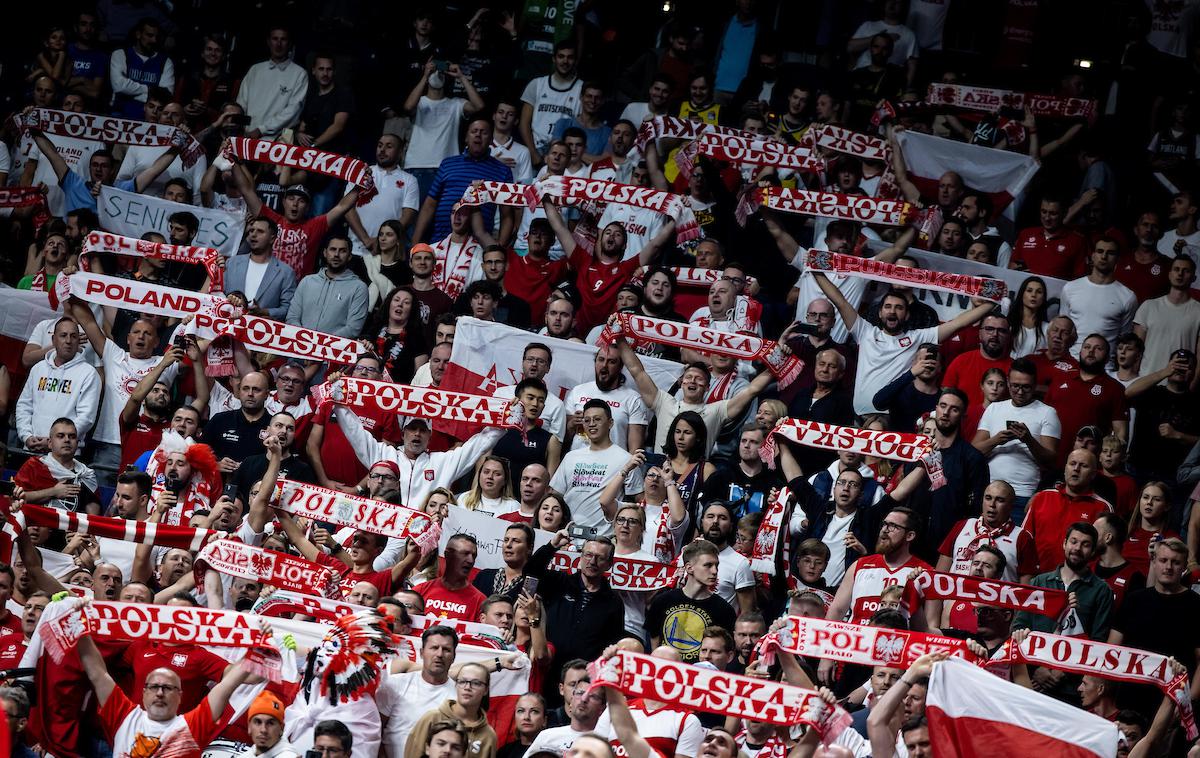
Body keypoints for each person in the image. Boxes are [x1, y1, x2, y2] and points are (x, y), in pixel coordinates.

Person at [76, 610, 259, 757]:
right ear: (144, 691)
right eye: (154, 687)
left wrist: (259, 645)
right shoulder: (124, 715)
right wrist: (78, 622)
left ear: (180, 695)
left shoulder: (193, 725)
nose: (160, 693)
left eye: (168, 688)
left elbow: (228, 684)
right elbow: (96, 671)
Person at [813, 271, 994, 415]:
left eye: (899, 308)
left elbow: (959, 323)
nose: (893, 311)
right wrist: (816, 271)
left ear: (907, 315)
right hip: (857, 416)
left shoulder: (918, 337)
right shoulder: (866, 331)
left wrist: (992, 302)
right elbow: (840, 301)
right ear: (880, 313)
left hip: (889, 418)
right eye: (888, 307)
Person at [527, 533, 625, 689]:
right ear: (580, 557)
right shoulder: (560, 582)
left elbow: (611, 644)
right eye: (588, 555)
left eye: (599, 558)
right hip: (548, 673)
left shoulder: (614, 602)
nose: (592, 562)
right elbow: (530, 571)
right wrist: (552, 546)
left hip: (585, 681)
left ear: (609, 564)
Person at [973, 360, 1061, 509]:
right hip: (989, 490)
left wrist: (1028, 440)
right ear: (1008, 382)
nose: (1020, 392)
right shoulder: (994, 408)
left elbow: (1051, 461)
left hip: (1023, 494)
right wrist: (996, 440)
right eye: (1015, 386)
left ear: (1034, 385)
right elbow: (973, 452)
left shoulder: (1047, 413)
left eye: (1026, 387)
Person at [414, 119, 514, 245]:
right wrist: (415, 243)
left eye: (483, 133)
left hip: (477, 248)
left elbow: (507, 216)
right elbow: (429, 206)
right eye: (474, 131)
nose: (478, 135)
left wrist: (500, 250)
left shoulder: (503, 171)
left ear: (490, 140)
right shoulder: (447, 164)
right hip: (440, 242)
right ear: (466, 137)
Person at [550, 399, 643, 532]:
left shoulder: (626, 460)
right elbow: (555, 496)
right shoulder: (571, 457)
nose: (592, 424)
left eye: (597, 419)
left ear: (610, 423)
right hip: (567, 537)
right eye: (587, 420)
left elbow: (639, 501)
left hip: (604, 539)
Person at [15, 317, 100, 452]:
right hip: (31, 447)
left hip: (65, 453)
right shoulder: (38, 369)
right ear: (54, 340)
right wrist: (26, 436)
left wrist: (54, 441)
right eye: (63, 335)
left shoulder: (89, 373)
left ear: (79, 341)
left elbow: (86, 418)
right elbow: (24, 406)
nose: (68, 341)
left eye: (73, 336)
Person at [1022, 450, 1113, 573]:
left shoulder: (1103, 508)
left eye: (1083, 465)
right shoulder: (1042, 497)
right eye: (1072, 463)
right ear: (1065, 469)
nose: (1076, 469)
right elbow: (1024, 539)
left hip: (1078, 581)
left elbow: (1104, 552)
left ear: (1093, 474)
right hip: (1037, 577)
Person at [645, 539, 735, 662]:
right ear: (689, 568)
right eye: (708, 565)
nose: (715, 571)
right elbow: (654, 643)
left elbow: (725, 652)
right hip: (664, 671)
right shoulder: (663, 601)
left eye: (716, 565)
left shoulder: (724, 610)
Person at [377, 626, 459, 758]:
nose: (439, 654)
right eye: (434, 648)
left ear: (454, 657)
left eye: (446, 650)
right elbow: (375, 730)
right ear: (421, 653)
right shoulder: (395, 684)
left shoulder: (459, 696)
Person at [938, 480, 1037, 584]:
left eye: (1000, 500)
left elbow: (1026, 592)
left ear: (1011, 506)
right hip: (954, 599)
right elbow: (939, 578)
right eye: (988, 498)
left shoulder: (1022, 537)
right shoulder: (962, 526)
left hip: (997, 599)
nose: (992, 504)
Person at [1124, 351, 1199, 482]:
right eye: (1177, 365)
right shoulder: (1152, 392)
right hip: (1137, 467)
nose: (1180, 369)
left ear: (1193, 373)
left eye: (1187, 367)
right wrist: (1164, 372)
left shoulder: (1196, 403)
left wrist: (1178, 435)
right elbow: (1128, 392)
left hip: (1171, 474)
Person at [1058, 239, 1138, 358]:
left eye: (1110, 253)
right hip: (1070, 361)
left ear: (1117, 259)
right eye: (1100, 251)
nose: (1104, 256)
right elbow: (1063, 328)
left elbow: (1123, 339)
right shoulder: (1070, 288)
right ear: (1093, 256)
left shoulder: (1127, 297)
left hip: (1105, 367)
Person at [565, 346, 649, 454]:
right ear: (595, 362)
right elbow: (563, 439)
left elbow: (635, 450)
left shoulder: (633, 399)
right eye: (601, 360)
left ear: (621, 366)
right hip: (578, 463)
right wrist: (571, 425)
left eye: (612, 362)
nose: (604, 365)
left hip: (613, 465)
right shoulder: (578, 391)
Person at [345, 135, 419, 257]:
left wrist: (382, 241)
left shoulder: (410, 180)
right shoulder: (361, 173)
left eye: (389, 146)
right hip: (355, 249)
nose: (382, 150)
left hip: (388, 253)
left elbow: (408, 216)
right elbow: (347, 209)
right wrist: (367, 240)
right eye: (380, 145)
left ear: (400, 152)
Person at [405, 665, 497, 758]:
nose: (467, 687)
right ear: (456, 684)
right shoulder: (432, 718)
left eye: (476, 683)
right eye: (462, 681)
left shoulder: (488, 735)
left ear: (486, 689)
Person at [286, 235, 370, 338]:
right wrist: (304, 338)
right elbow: (292, 317)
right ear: (325, 253)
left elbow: (353, 329)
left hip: (333, 351)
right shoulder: (307, 281)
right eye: (333, 249)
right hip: (300, 346)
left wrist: (322, 343)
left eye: (342, 251)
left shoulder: (359, 288)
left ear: (349, 256)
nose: (336, 254)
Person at [1133, 255, 1200, 376]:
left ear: (1193, 278)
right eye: (1176, 269)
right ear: (1169, 274)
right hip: (1146, 381)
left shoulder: (1198, 311)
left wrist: (1193, 383)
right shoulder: (1149, 307)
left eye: (1186, 271)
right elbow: (1135, 351)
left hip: (1179, 384)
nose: (1180, 274)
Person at [236, 27, 308, 139]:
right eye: (275, 39)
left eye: (283, 39)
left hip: (277, 142)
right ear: (268, 42)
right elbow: (241, 103)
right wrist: (241, 129)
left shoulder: (299, 74)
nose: (278, 44)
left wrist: (261, 130)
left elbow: (292, 111)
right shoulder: (255, 70)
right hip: (247, 137)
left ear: (289, 43)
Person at [519, 41, 583, 164]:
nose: (565, 61)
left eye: (570, 57)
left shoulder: (582, 89)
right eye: (561, 56)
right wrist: (533, 154)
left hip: (565, 153)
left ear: (575, 60)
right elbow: (524, 124)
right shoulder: (537, 84)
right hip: (536, 148)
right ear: (554, 59)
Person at [1010, 196, 1089, 279]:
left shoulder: (1077, 241)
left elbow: (1080, 279)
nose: (1047, 218)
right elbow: (1012, 267)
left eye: (1053, 213)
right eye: (1044, 212)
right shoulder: (1026, 234)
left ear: (1064, 213)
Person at [110, 18, 175, 118]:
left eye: (157, 37)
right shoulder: (121, 54)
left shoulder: (165, 61)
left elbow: (166, 95)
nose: (154, 40)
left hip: (150, 119)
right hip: (119, 114)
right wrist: (151, 90)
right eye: (149, 35)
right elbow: (119, 86)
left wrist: (128, 92)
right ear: (138, 34)